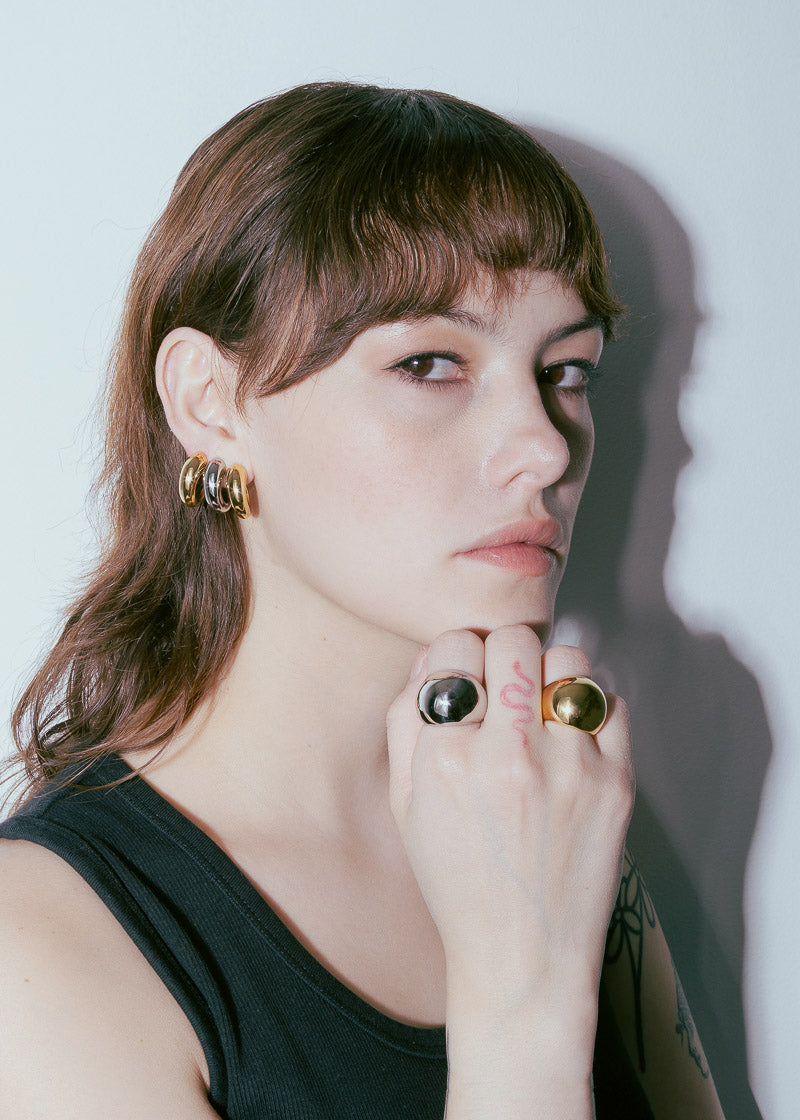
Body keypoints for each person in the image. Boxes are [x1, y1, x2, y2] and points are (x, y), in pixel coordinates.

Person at [0, 82, 725, 1118]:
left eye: (568, 371)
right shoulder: (40, 941)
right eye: (430, 364)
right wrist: (520, 1006)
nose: (544, 446)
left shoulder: (538, 798)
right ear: (210, 403)